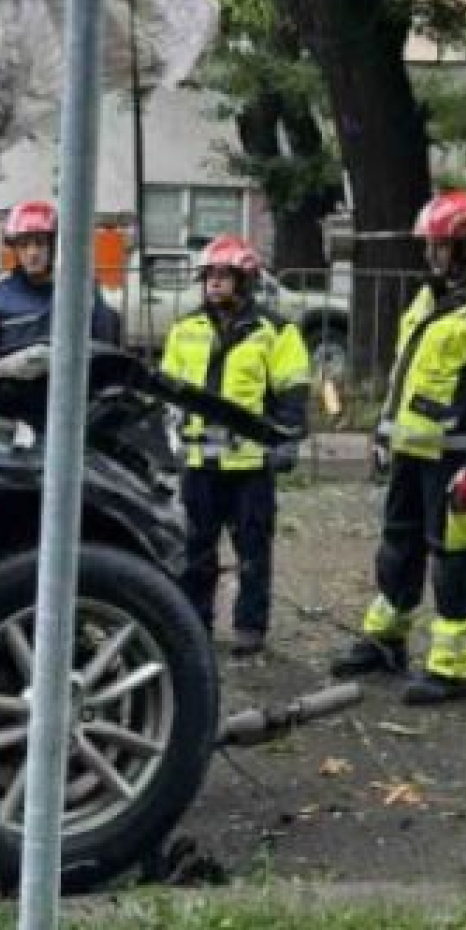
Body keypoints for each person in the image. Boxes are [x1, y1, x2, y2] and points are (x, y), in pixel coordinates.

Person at [329, 189, 466, 706]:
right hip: (413, 453)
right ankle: (386, 639)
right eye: (430, 246)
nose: (430, 255)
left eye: (438, 246)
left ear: (465, 246)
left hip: (455, 459)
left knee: (455, 560)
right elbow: (403, 376)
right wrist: (383, 432)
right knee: (398, 546)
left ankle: (453, 668)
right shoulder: (428, 297)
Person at [160, 235, 311, 657]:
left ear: (245, 281)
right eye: (210, 275)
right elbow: (168, 391)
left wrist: (288, 439)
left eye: (224, 276)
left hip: (250, 462)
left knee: (253, 549)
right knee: (195, 550)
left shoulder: (275, 332)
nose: (215, 283)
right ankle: (194, 623)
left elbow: (292, 391)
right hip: (197, 461)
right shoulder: (185, 329)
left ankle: (250, 626)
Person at [0, 200, 120, 362]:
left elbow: (105, 352)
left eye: (40, 243)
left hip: (67, 384)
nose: (32, 253)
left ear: (53, 246)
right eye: (24, 245)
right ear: (15, 249)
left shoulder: (82, 289)